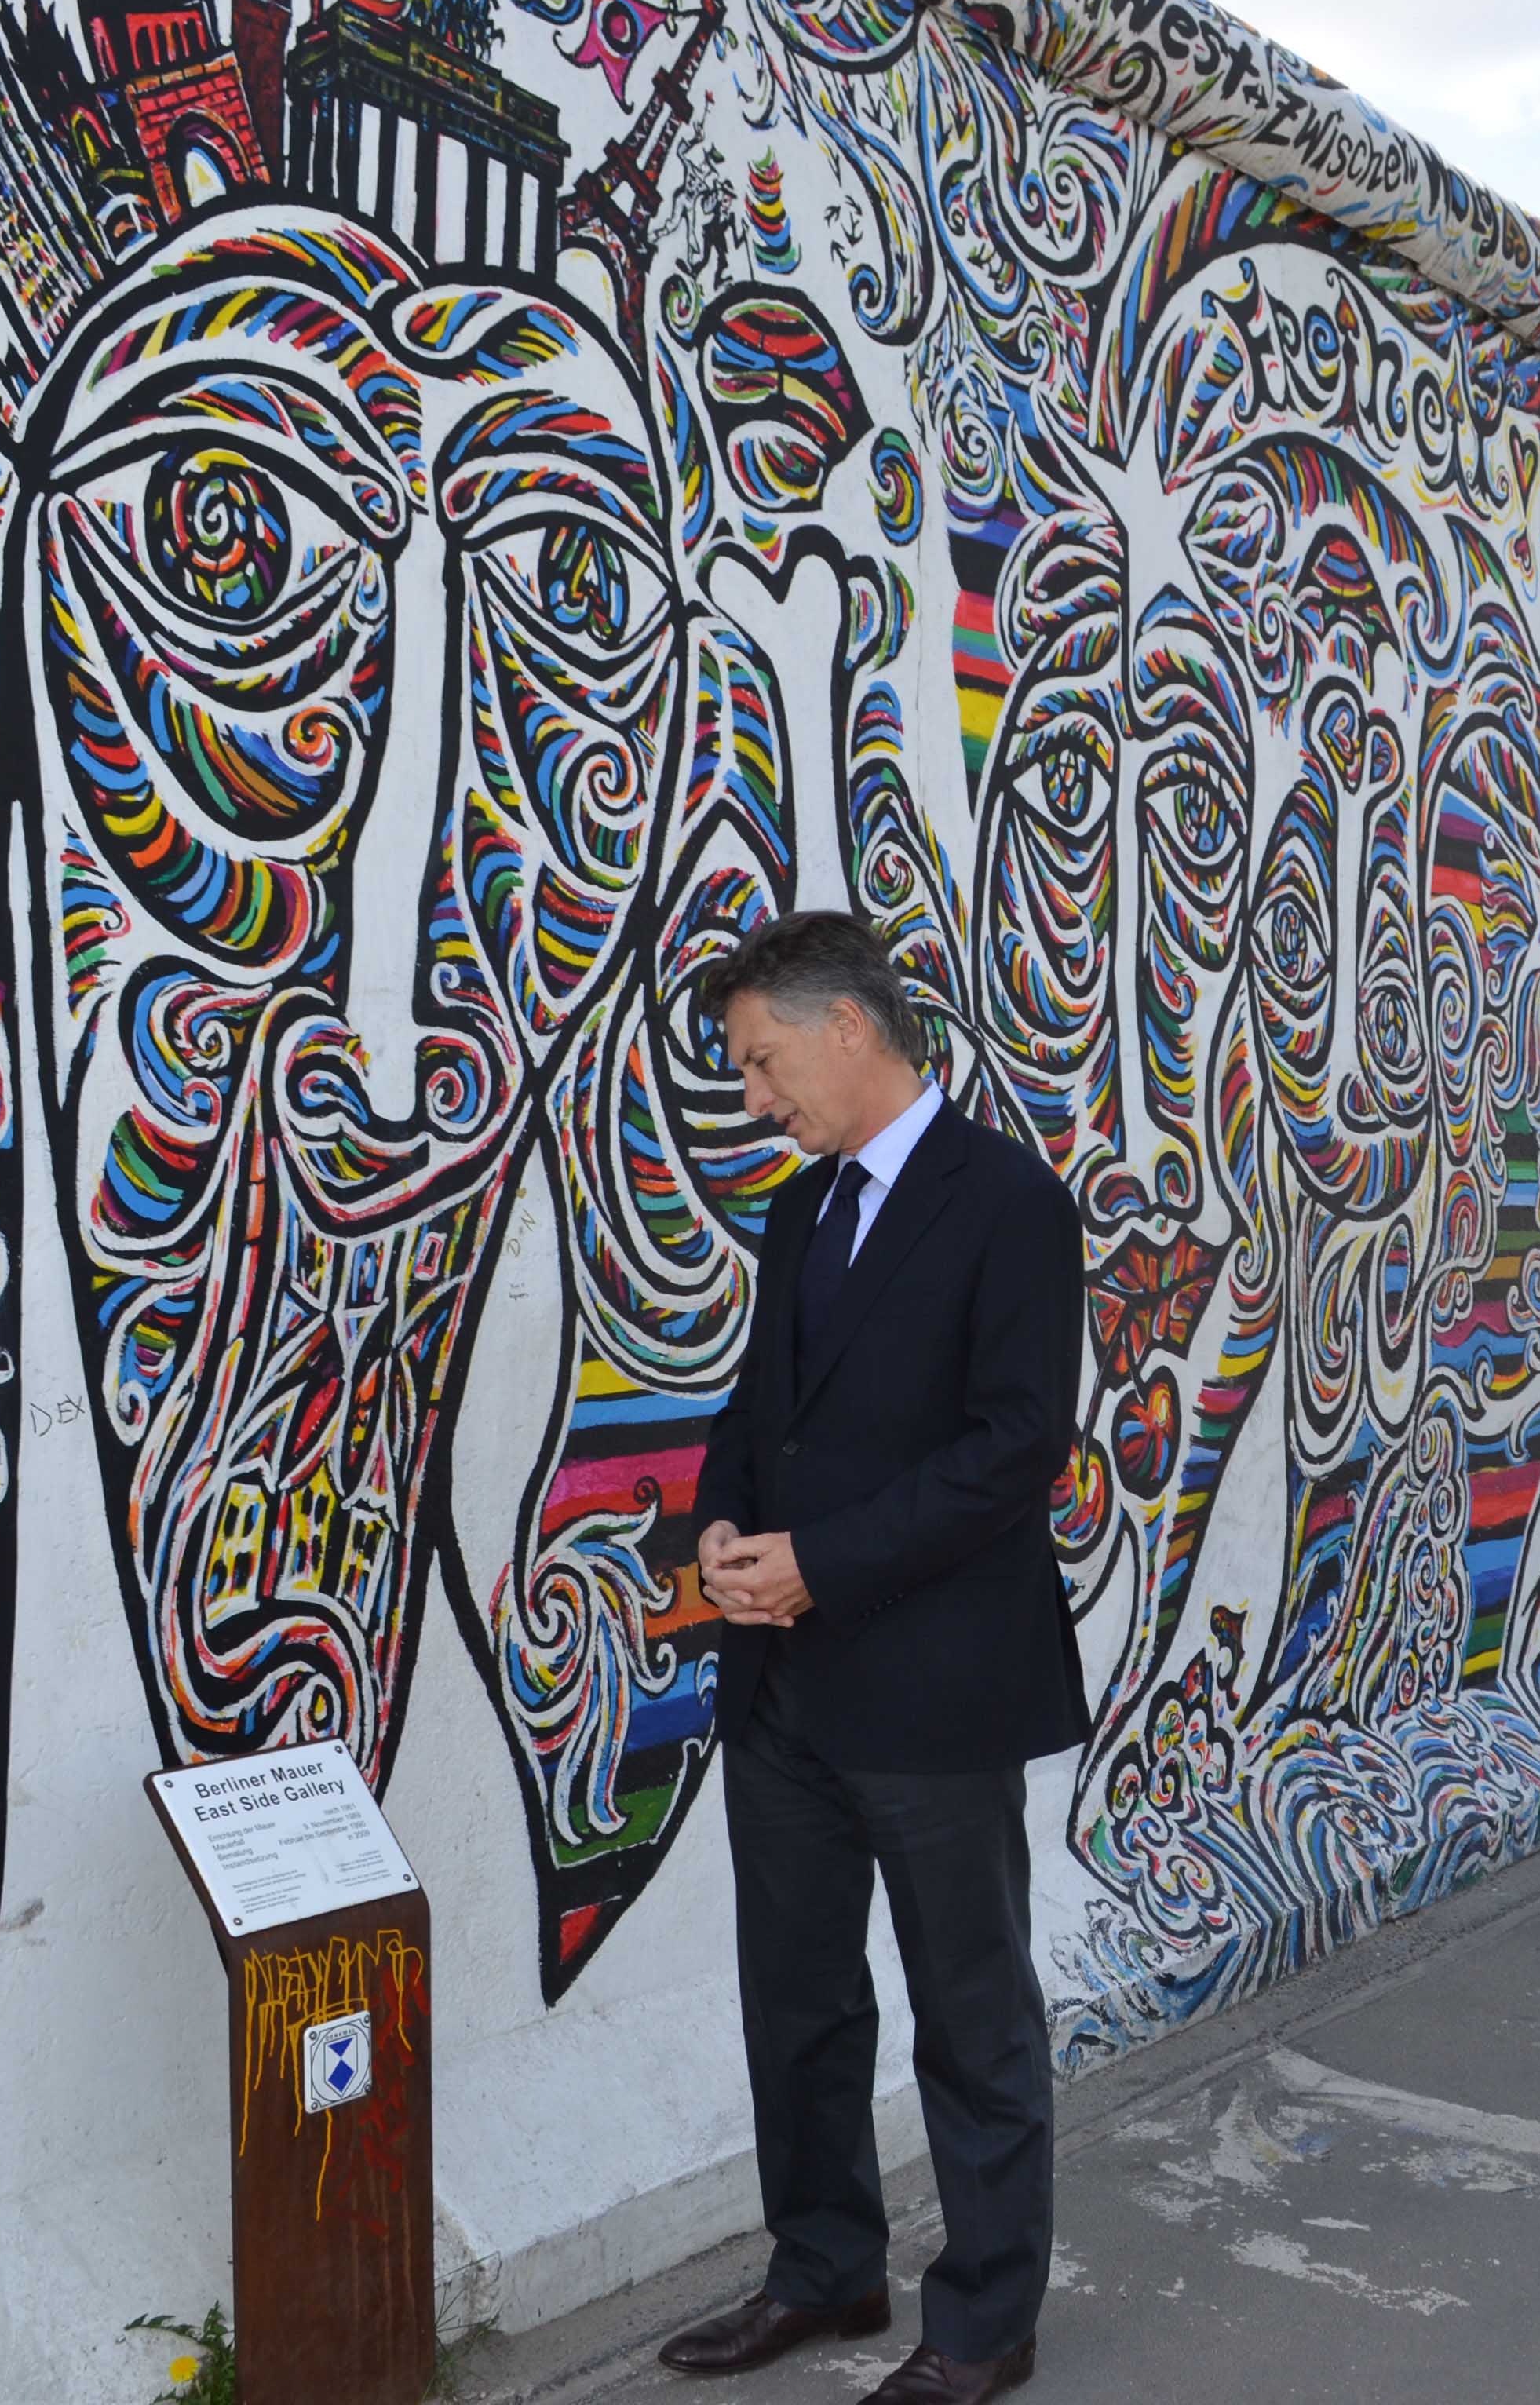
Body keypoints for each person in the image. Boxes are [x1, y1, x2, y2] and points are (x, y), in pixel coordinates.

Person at [662, 912, 1088, 2405]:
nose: (753, 1097)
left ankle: (982, 2322)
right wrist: (718, 1527)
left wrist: (820, 1564)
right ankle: (824, 2268)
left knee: (968, 2009)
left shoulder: (1007, 1204)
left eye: (761, 1062)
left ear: (849, 1026)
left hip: (931, 1690)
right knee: (799, 1995)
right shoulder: (800, 1214)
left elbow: (1014, 1448)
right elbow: (756, 1410)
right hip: (781, 1689)